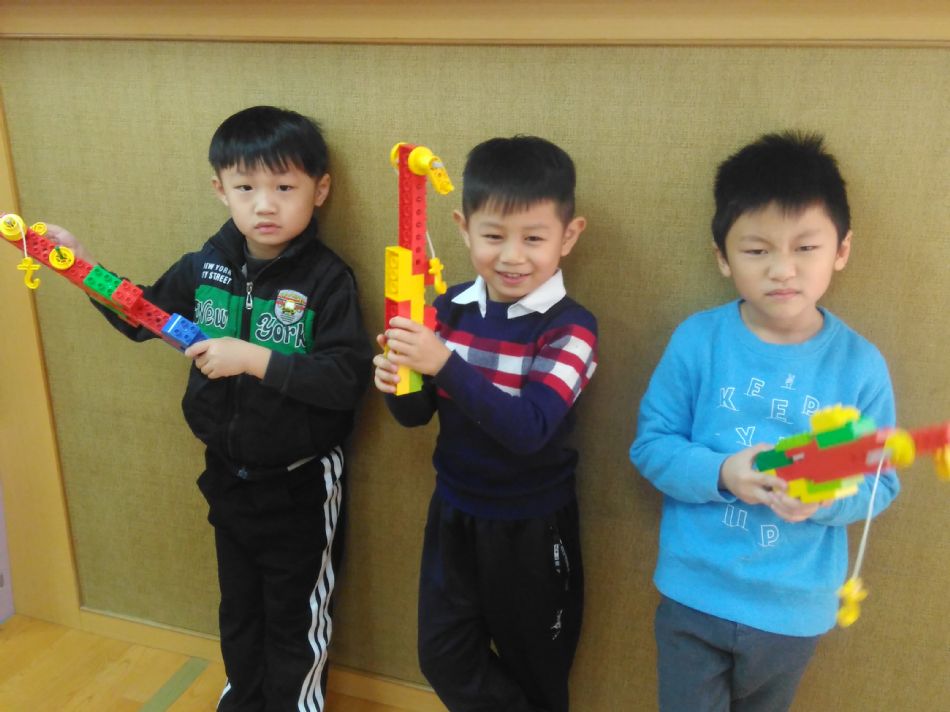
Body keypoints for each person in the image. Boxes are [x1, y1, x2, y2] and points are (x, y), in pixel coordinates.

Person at [46, 105, 372, 711]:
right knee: (239, 609)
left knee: (296, 617)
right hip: (225, 474)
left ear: (320, 190)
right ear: (220, 189)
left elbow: (345, 380)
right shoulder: (205, 267)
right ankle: (243, 699)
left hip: (300, 487)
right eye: (246, 188)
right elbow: (142, 315)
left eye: (284, 187)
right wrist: (79, 266)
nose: (265, 205)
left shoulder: (328, 280)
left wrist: (253, 358)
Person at [629, 131, 900, 712]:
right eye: (757, 251)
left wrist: (824, 496)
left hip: (793, 610)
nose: (783, 270)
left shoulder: (859, 366)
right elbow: (651, 445)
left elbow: (882, 482)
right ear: (723, 258)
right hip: (694, 595)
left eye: (806, 248)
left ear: (841, 250)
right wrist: (724, 472)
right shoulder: (698, 340)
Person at [373, 136, 597, 712]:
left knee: (537, 669)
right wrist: (398, 379)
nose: (512, 256)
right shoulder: (447, 309)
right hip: (453, 512)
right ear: (464, 229)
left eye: (534, 238)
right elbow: (415, 416)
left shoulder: (570, 328)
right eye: (494, 236)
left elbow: (529, 430)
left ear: (569, 236)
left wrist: (442, 362)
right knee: (443, 655)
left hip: (531, 526)